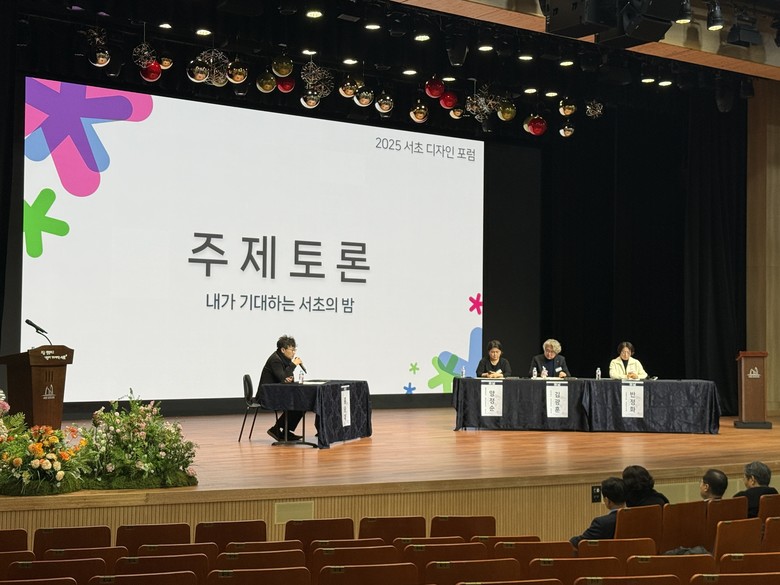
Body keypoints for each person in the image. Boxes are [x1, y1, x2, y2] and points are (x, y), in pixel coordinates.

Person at [260, 335, 306, 442]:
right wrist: (293, 365)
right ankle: (277, 429)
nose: (294, 353)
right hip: (267, 395)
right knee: (299, 403)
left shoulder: (284, 359)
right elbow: (282, 377)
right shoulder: (275, 360)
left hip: (277, 391)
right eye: (292, 350)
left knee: (302, 402)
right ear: (283, 350)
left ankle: (285, 431)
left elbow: (286, 377)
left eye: (295, 350)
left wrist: (288, 378)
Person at [570, 477, 627, 548]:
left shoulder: (602, 523)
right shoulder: (637, 519)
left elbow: (579, 542)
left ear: (607, 500)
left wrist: (572, 540)